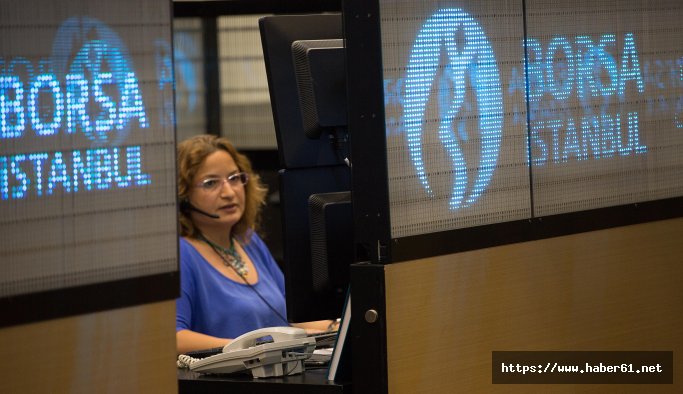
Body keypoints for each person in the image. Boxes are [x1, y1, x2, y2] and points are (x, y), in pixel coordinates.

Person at [175, 135, 338, 354]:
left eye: (234, 178)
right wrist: (252, 349)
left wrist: (336, 328)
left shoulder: (248, 241)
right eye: (211, 183)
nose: (229, 192)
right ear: (183, 196)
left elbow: (291, 317)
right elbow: (175, 339)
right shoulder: (182, 253)